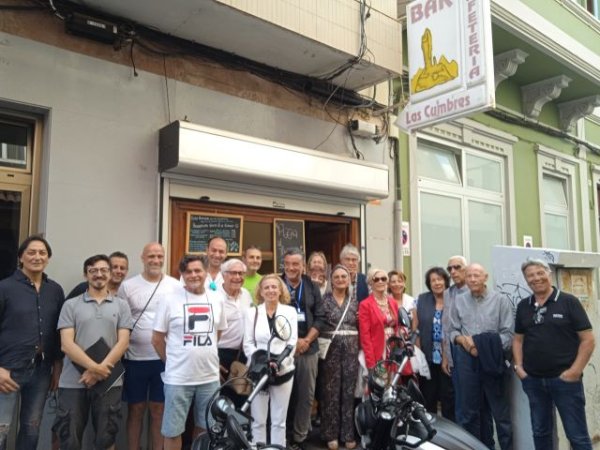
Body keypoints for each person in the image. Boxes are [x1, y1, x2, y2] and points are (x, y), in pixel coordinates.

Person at [514, 259, 595, 450]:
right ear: (526, 280)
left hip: (565, 381)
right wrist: (519, 367)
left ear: (548, 273)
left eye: (539, 273)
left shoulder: (568, 302)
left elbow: (588, 340)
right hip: (533, 381)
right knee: (541, 432)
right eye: (530, 275)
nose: (536, 278)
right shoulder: (523, 306)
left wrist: (574, 371)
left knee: (576, 435)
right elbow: (517, 339)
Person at [52, 254, 132, 450]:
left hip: (109, 380)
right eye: (93, 270)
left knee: (107, 438)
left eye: (104, 270)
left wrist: (100, 370)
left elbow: (123, 343)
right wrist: (95, 368)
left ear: (110, 273)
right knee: (68, 438)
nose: (99, 274)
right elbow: (66, 345)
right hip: (73, 382)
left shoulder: (122, 305)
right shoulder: (70, 305)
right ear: (85, 274)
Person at [152, 254, 227, 450]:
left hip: (209, 378)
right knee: (172, 430)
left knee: (206, 428)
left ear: (205, 272)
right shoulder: (168, 300)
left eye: (198, 270)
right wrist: (172, 362)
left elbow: (217, 333)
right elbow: (157, 339)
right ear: (182, 275)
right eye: (188, 271)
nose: (193, 275)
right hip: (178, 379)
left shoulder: (217, 299)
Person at [0, 236, 65, 450]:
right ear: (21, 257)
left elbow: (58, 332)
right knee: (1, 428)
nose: (37, 257)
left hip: (41, 371)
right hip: (7, 370)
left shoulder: (55, 290)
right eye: (31, 252)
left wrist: (57, 366)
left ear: (48, 258)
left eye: (42, 253)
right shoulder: (5, 287)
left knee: (31, 428)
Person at [118, 242, 181, 450]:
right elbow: (122, 321)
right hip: (135, 358)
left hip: (164, 359)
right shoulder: (128, 286)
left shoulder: (175, 285)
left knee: (158, 410)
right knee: (135, 410)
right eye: (151, 256)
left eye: (160, 256)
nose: (156, 260)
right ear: (142, 258)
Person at [449, 264, 513, 450]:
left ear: (485, 277)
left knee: (500, 413)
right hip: (466, 360)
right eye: (469, 276)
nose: (472, 279)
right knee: (468, 412)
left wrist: (480, 345)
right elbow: (453, 330)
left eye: (477, 275)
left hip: (493, 360)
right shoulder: (459, 300)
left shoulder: (500, 300)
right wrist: (464, 341)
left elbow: (508, 335)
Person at [243, 274, 298, 447]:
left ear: (281, 290)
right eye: (266, 287)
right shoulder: (252, 313)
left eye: (274, 287)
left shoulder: (289, 312)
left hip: (283, 371)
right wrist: (261, 362)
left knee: (279, 420)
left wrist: (278, 362)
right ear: (260, 290)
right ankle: (257, 446)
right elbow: (248, 343)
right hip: (259, 372)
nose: (271, 290)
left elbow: (292, 341)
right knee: (258, 419)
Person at [280, 248, 324, 450]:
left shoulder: (311, 286)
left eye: (295, 264)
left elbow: (321, 316)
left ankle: (300, 436)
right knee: (283, 394)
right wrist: (292, 342)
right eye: (287, 263)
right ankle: (283, 435)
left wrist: (306, 340)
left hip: (309, 347)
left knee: (306, 395)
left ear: (302, 266)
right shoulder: (276, 284)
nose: (291, 267)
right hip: (282, 349)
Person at [319, 265, 359, 450]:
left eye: (344, 276)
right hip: (331, 351)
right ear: (331, 279)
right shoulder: (323, 300)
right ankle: (331, 434)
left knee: (348, 392)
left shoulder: (355, 301)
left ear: (349, 279)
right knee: (330, 392)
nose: (341, 279)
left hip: (351, 351)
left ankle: (348, 433)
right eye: (337, 277)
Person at [415, 267, 454, 420]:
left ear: (445, 281)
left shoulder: (454, 298)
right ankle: (430, 432)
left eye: (440, 279)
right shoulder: (422, 299)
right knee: (428, 397)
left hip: (449, 357)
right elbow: (415, 327)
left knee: (448, 398)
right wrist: (418, 354)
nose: (437, 283)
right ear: (429, 283)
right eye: (433, 280)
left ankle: (450, 433)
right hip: (428, 356)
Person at [217, 258, 253, 406]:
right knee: (220, 400)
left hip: (241, 355)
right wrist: (213, 359)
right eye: (233, 273)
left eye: (241, 273)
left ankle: (236, 429)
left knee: (239, 398)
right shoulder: (213, 296)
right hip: (220, 354)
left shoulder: (246, 295)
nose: (238, 277)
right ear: (224, 275)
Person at [441, 255, 469, 422]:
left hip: (470, 351)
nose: (453, 271)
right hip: (453, 353)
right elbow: (446, 326)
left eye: (457, 267)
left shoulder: (472, 290)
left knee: (472, 404)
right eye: (450, 268)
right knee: (459, 402)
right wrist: (445, 355)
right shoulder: (448, 293)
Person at [358, 268, 399, 372]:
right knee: (380, 382)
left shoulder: (392, 302)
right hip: (377, 349)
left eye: (383, 278)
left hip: (393, 348)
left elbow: (397, 326)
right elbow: (365, 336)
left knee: (394, 381)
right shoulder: (365, 304)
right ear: (371, 283)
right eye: (376, 279)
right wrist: (370, 362)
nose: (380, 281)